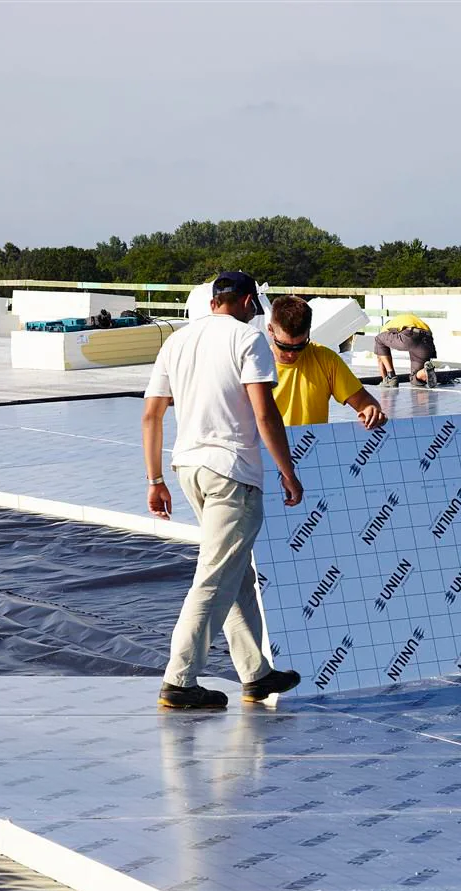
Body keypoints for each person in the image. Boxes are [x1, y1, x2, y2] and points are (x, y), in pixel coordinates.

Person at [142, 271, 304, 711]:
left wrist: (154, 480)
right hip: (232, 472)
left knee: (236, 574)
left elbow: (152, 415)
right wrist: (287, 471)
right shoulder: (247, 339)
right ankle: (179, 680)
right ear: (248, 302)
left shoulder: (176, 341)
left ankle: (256, 673)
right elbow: (264, 412)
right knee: (215, 577)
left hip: (189, 469)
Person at [267, 295, 387, 430]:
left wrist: (371, 410)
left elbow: (364, 402)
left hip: (313, 442)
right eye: (284, 346)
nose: (291, 354)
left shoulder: (326, 360)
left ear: (309, 331)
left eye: (300, 346)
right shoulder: (255, 363)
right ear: (270, 330)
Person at [374, 311, 441, 387]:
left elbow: (380, 357)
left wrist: (384, 378)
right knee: (414, 379)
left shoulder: (386, 328)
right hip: (427, 341)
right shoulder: (403, 320)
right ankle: (424, 372)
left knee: (378, 339)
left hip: (410, 335)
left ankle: (390, 378)